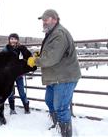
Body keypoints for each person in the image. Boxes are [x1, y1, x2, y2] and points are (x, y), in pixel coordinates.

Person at [27, 9, 81, 137]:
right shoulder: (52, 33)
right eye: (43, 20)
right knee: (49, 101)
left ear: (55, 19)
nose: (43, 23)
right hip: (55, 76)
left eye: (46, 19)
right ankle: (57, 124)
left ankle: (66, 134)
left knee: (61, 108)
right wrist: (40, 55)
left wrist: (35, 60)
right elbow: (51, 52)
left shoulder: (59, 34)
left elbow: (52, 58)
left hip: (64, 77)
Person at [2, 33, 32, 115]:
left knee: (22, 92)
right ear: (9, 40)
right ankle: (12, 109)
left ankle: (26, 108)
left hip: (19, 75)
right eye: (11, 39)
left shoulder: (21, 48)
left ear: (17, 40)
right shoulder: (5, 49)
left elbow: (28, 56)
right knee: (10, 93)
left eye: (15, 39)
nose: (13, 40)